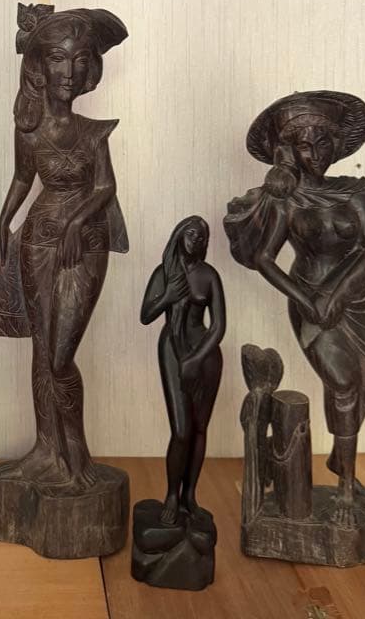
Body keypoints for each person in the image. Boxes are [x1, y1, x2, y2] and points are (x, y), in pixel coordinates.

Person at [225, 90, 365, 527]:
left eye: (324, 143)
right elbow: (264, 259)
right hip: (307, 298)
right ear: (289, 151)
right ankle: (344, 487)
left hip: (355, 301)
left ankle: (346, 471)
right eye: (306, 146)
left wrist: (338, 296)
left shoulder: (355, 195)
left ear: (337, 145)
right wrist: (309, 301)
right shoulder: (286, 201)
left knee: (361, 383)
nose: (317, 154)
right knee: (342, 383)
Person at [0, 4, 128, 492]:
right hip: (38, 240)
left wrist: (76, 219)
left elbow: (105, 187)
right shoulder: (28, 131)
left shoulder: (93, 134)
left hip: (83, 245)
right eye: (58, 59)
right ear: (40, 68)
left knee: (60, 356)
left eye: (78, 60)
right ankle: (46, 451)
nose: (68, 71)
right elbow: (22, 178)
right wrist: (4, 218)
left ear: (90, 67)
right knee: (40, 349)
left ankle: (76, 456)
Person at [140, 216, 225, 525]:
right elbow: (146, 315)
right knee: (181, 430)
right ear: (179, 236)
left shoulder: (209, 275)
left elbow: (218, 326)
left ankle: (190, 495)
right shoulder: (164, 273)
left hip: (205, 355)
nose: (196, 240)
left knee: (200, 428)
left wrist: (197, 359)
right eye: (191, 233)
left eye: (202, 236)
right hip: (172, 351)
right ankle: (172, 495)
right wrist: (167, 297)